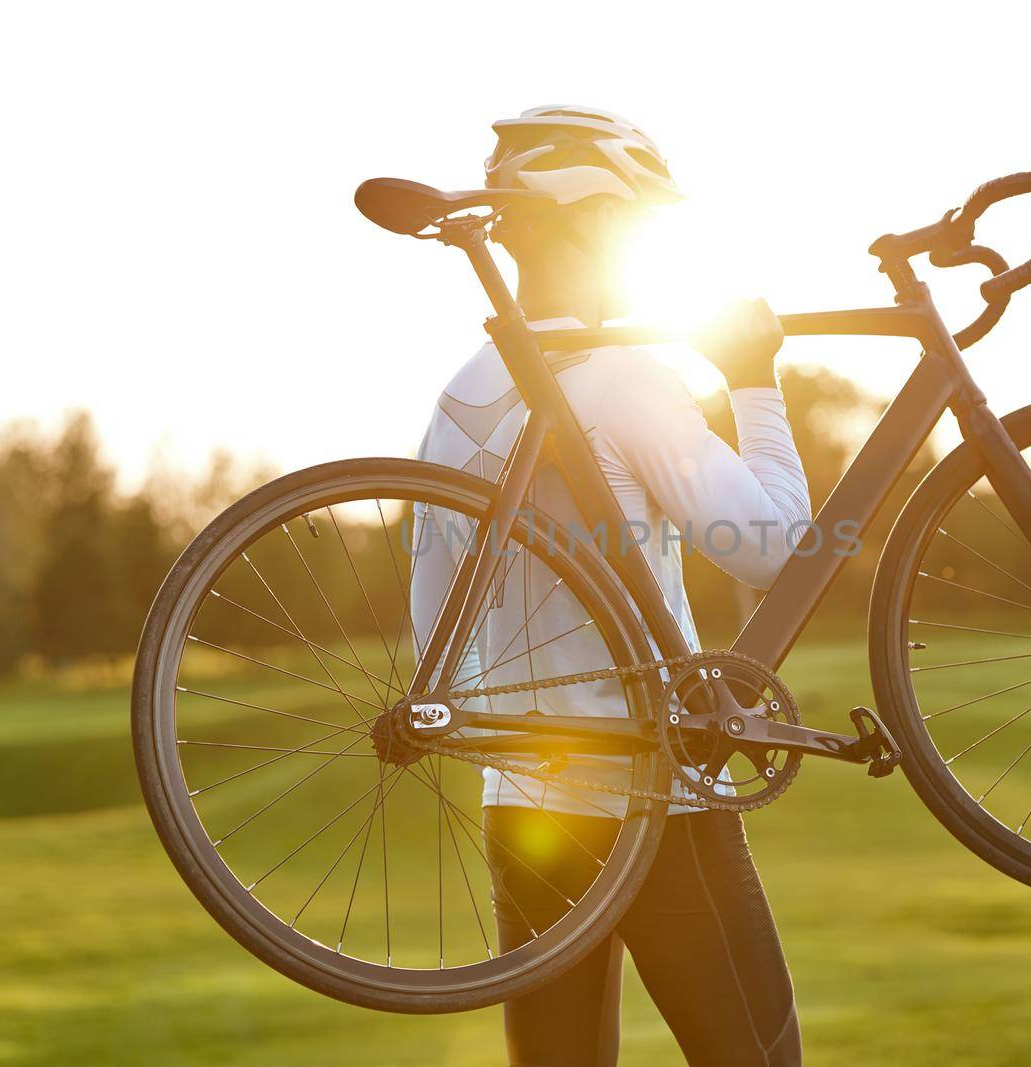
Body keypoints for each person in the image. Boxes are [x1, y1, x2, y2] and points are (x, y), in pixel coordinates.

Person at [412, 106, 809, 1066]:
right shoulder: (625, 378)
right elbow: (775, 550)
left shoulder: (461, 392)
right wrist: (755, 381)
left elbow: (435, 622)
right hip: (654, 796)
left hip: (523, 800)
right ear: (594, 221)